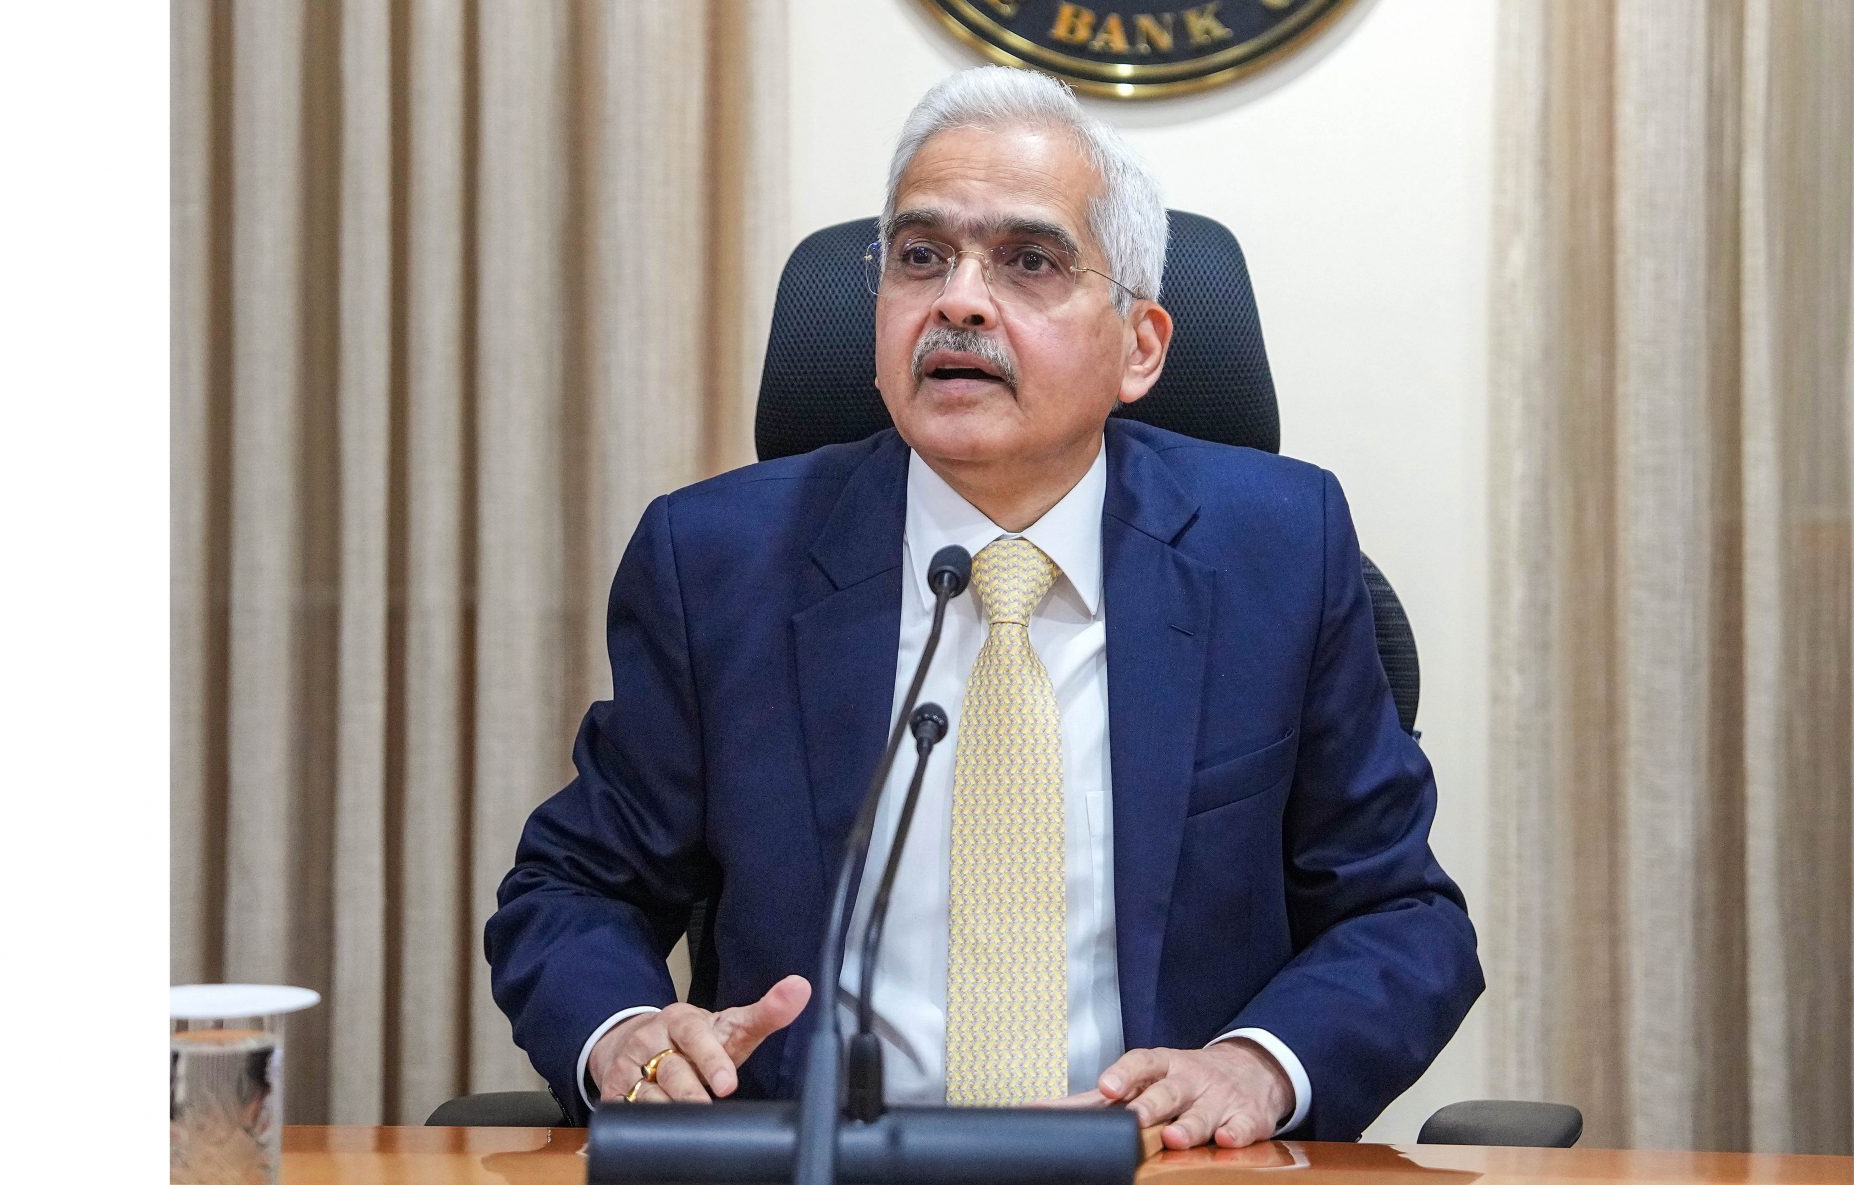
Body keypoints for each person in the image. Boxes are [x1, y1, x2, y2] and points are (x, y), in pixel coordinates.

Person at [486, 65, 1480, 1149]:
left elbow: (1402, 914)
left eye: (1028, 260)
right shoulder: (720, 561)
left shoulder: (1275, 552)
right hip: (816, 1166)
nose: (957, 300)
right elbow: (572, 888)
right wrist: (625, 1033)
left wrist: (1255, 1066)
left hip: (1163, 1168)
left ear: (1139, 346)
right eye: (921, 257)